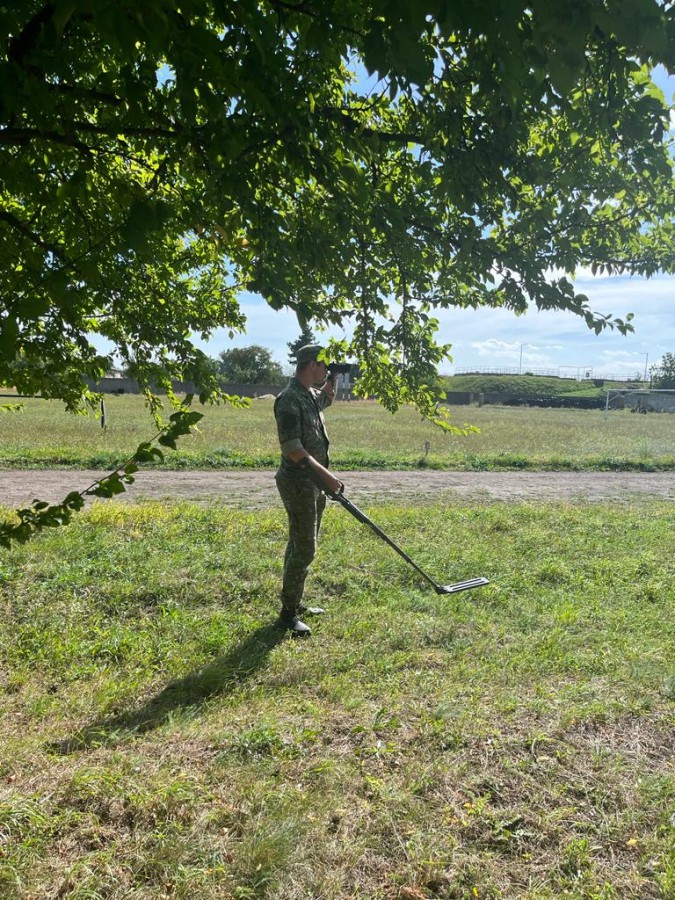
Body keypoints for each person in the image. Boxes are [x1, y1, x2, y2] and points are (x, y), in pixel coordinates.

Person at [273, 344, 344, 636]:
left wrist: (336, 377)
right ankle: (287, 614)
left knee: (300, 543)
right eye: (325, 366)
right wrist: (327, 478)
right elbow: (293, 449)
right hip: (298, 482)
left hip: (313, 484)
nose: (326, 371)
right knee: (305, 548)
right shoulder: (288, 399)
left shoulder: (310, 395)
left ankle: (295, 601)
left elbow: (327, 397)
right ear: (312, 365)